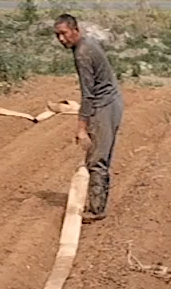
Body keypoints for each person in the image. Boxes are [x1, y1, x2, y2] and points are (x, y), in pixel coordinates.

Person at [53, 13, 124, 221]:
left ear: (75, 30)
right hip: (113, 102)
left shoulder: (82, 53)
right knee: (100, 155)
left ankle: (97, 210)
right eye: (57, 35)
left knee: (96, 159)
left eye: (64, 34)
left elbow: (88, 94)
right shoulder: (88, 43)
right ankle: (98, 202)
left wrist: (82, 128)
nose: (61, 39)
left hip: (103, 106)